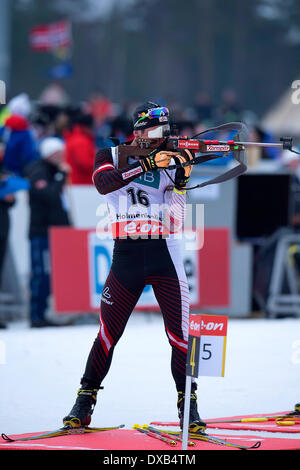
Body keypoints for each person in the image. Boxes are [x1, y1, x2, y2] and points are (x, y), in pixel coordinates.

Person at [63, 101, 206, 433]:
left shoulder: (169, 160)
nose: (161, 138)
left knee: (181, 336)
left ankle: (190, 406)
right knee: (107, 335)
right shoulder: (110, 155)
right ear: (139, 131)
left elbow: (176, 220)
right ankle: (84, 401)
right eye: (156, 131)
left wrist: (181, 180)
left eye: (166, 132)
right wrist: (145, 165)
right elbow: (103, 184)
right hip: (126, 256)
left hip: (163, 254)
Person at [24, 137, 72, 327]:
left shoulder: (51, 171)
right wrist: (61, 177)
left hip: (53, 233)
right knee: (40, 274)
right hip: (41, 232)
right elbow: (49, 196)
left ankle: (42, 314)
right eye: (59, 153)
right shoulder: (39, 171)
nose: (62, 156)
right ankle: (36, 315)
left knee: (50, 275)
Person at [64, 113, 96, 185]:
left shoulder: (75, 137)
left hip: (77, 181)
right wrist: (101, 164)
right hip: (82, 183)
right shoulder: (81, 141)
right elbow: (85, 163)